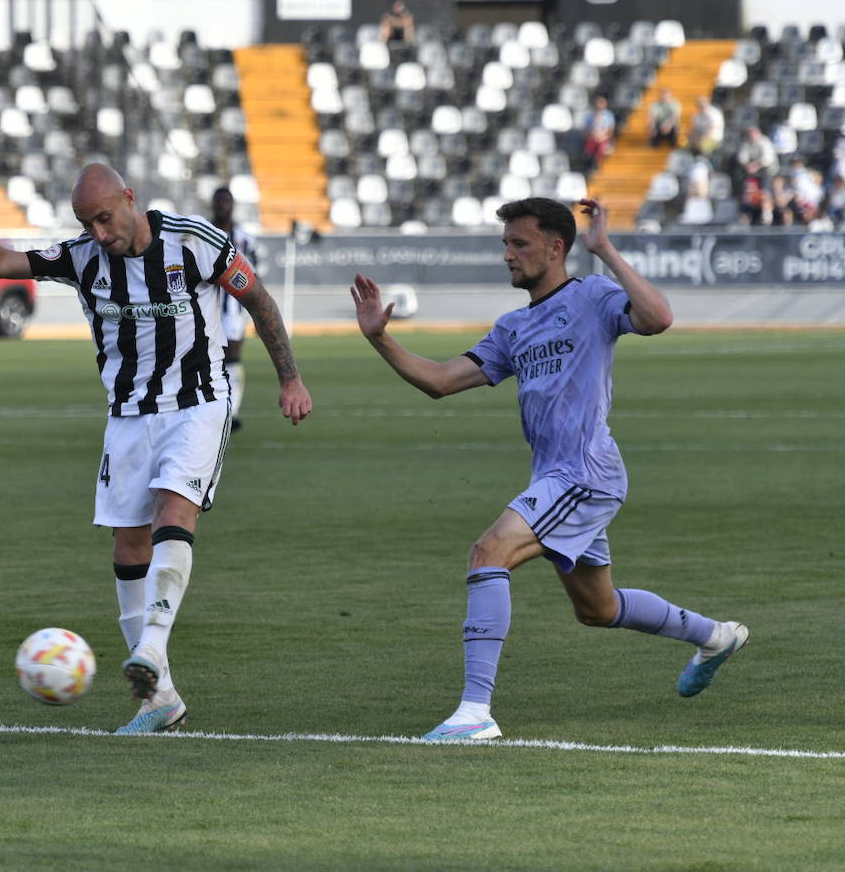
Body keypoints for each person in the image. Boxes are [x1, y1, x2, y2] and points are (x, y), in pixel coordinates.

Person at [0, 163, 312, 735]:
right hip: (127, 415)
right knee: (128, 545)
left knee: (175, 509)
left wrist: (289, 377)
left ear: (129, 199)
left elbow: (260, 301)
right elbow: (4, 262)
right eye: (86, 222)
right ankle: (160, 700)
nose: (98, 232)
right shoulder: (82, 257)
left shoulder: (194, 242)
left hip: (197, 401)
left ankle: (150, 647)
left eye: (104, 218)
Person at [350, 196, 748, 742]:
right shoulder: (512, 327)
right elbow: (441, 380)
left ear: (556, 247)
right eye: (505, 245)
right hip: (556, 478)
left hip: (584, 472)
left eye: (520, 243)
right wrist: (379, 337)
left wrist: (604, 248)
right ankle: (714, 636)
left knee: (488, 553)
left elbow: (658, 317)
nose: (508, 255)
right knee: (598, 608)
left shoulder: (591, 295)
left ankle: (474, 712)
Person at [209, 186, 260, 432]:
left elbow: (254, 277)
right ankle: (212, 408)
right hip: (206, 307)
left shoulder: (244, 239)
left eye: (227, 200)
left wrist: (260, 314)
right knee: (209, 358)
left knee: (233, 357)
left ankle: (233, 412)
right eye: (219, 201)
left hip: (233, 310)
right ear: (213, 204)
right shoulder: (201, 233)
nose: (223, 205)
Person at [581, 95, 615, 171]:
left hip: (604, 136)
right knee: (591, 143)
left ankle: (596, 163)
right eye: (599, 103)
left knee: (601, 144)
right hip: (592, 136)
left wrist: (603, 135)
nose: (600, 105)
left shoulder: (608, 115)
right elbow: (586, 128)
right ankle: (588, 160)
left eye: (602, 103)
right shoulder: (590, 115)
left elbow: (610, 129)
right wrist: (593, 134)